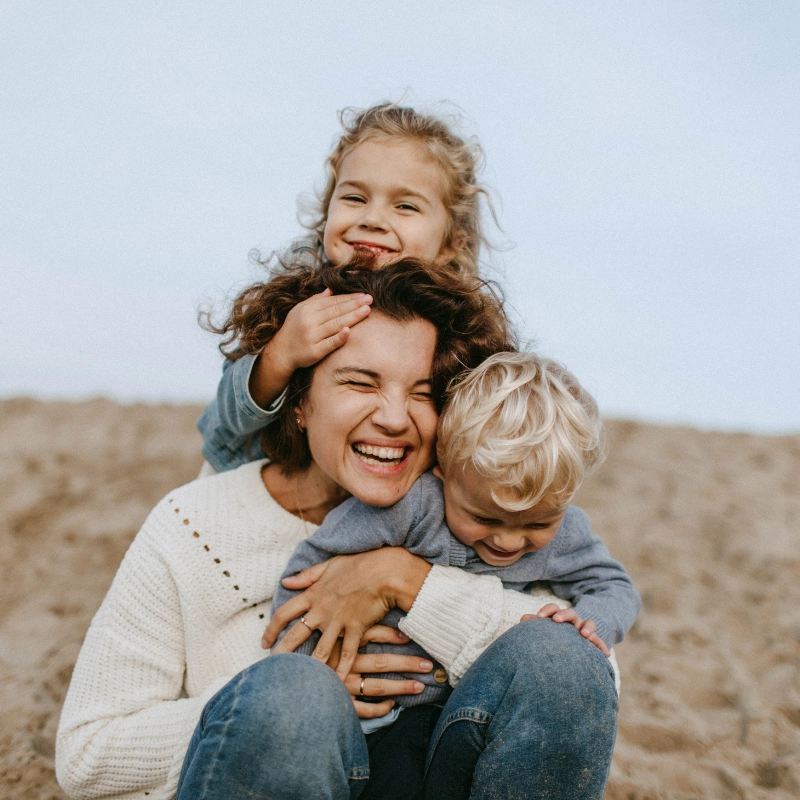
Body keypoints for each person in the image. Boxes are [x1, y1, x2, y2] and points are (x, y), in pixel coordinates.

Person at [56, 260, 618, 800]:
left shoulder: (487, 516)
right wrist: (273, 699)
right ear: (300, 402)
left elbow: (586, 676)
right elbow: (88, 756)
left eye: (423, 393)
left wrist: (408, 582)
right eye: (360, 382)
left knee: (559, 660)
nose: (395, 418)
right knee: (294, 696)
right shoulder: (194, 523)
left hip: (432, 773)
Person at [269, 351, 641, 713]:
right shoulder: (411, 508)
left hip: (460, 715)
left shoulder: (566, 536)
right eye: (485, 518)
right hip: (360, 706)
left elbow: (614, 587)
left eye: (537, 523)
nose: (509, 541)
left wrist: (593, 624)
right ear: (443, 469)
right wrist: (310, 676)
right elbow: (309, 573)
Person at [198, 103, 494, 474]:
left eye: (405, 206)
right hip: (260, 484)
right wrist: (282, 352)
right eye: (354, 198)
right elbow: (221, 422)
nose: (372, 220)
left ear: (452, 243)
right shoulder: (297, 292)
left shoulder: (457, 326)